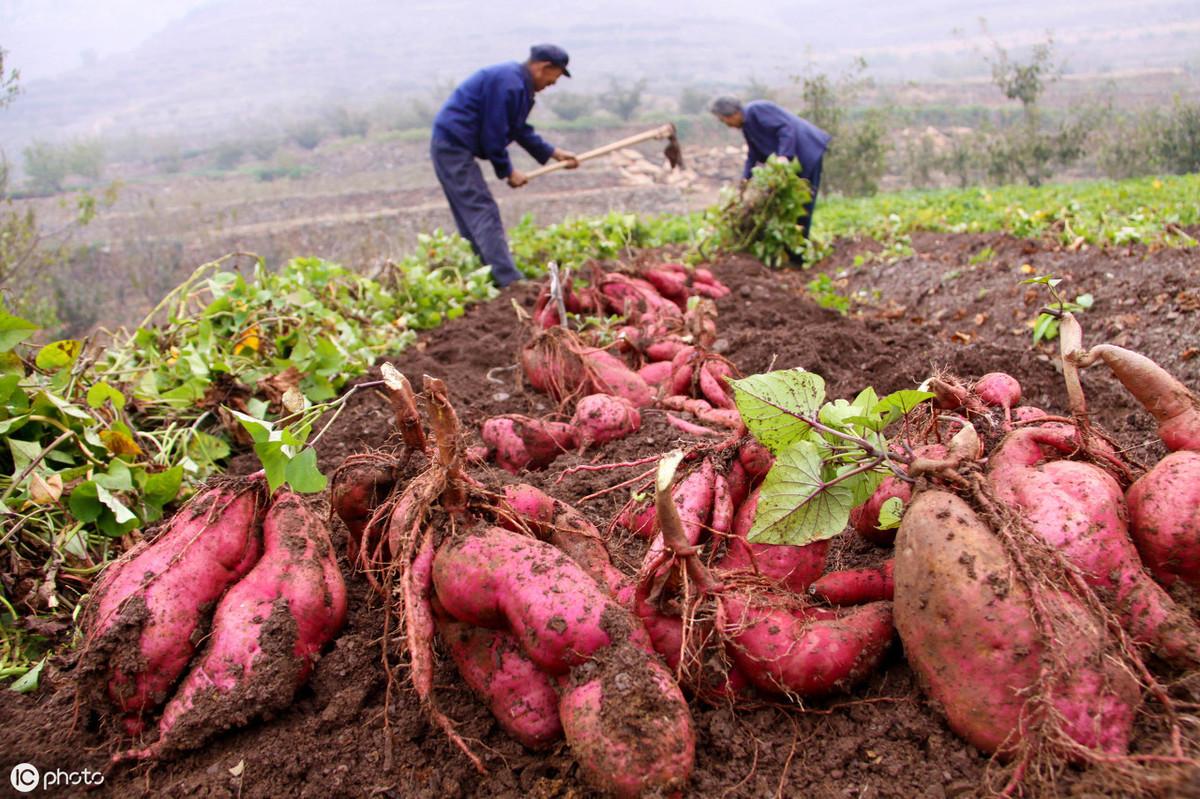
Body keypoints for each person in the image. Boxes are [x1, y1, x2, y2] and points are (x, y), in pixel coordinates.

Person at [430, 44, 580, 287]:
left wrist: (554, 153)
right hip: (452, 144)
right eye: (556, 75)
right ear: (544, 67)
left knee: (473, 212)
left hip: (455, 144)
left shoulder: (518, 85)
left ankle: (490, 274)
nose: (554, 83)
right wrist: (507, 171)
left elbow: (518, 129)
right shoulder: (509, 84)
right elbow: (494, 132)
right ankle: (509, 281)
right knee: (481, 209)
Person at [710, 96, 831, 259]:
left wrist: (783, 156)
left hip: (806, 151)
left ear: (732, 113)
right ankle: (791, 250)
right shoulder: (748, 126)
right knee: (788, 205)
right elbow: (753, 154)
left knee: (803, 203)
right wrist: (746, 179)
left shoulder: (757, 110)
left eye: (724, 120)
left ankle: (798, 254)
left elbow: (785, 128)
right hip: (792, 162)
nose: (727, 125)